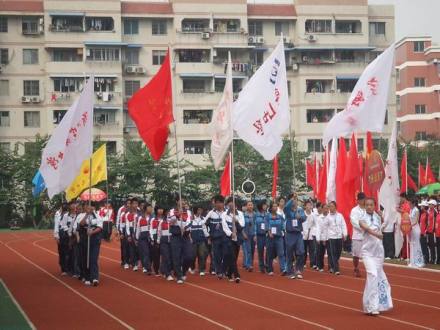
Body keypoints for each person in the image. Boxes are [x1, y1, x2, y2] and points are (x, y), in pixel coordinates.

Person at [359, 198, 393, 315]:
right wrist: (377, 234)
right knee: (372, 275)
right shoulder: (362, 218)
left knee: (377, 278)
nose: (369, 207)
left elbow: (385, 223)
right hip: (367, 253)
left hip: (379, 253)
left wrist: (382, 216)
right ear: (365, 206)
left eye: (371, 205)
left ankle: (372, 304)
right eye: (367, 205)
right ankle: (372, 306)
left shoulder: (377, 217)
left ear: (374, 206)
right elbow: (366, 228)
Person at [168, 198, 193, 284]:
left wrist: (185, 228)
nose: (182, 202)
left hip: (185, 235)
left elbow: (190, 222)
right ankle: (179, 275)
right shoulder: (172, 211)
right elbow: (171, 221)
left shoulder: (188, 212)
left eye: (184, 200)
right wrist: (178, 214)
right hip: (175, 236)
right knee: (176, 256)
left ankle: (183, 271)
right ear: (177, 202)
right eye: (180, 200)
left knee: (189, 256)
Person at [78, 203, 104, 286]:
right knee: (86, 259)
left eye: (92, 206)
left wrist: (92, 232)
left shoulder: (98, 216)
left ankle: (95, 277)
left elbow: (100, 227)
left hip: (95, 240)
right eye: (88, 206)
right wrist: (86, 215)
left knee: (93, 258)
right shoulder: (81, 215)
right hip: (85, 240)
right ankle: (87, 277)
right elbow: (81, 224)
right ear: (85, 207)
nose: (90, 208)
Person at [221, 200, 244, 283]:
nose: (231, 206)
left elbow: (242, 226)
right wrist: (231, 234)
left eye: (233, 204)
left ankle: (228, 273)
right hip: (228, 238)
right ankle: (236, 275)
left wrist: (236, 221)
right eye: (229, 205)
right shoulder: (224, 214)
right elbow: (224, 226)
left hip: (237, 239)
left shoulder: (240, 214)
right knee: (232, 256)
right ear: (227, 205)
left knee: (234, 257)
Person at [284, 194, 305, 279]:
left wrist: (300, 217)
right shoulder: (288, 211)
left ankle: (298, 269)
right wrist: (291, 199)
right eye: (293, 200)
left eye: (296, 200)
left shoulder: (300, 210)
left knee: (301, 252)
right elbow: (286, 207)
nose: (295, 201)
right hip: (290, 234)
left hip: (298, 234)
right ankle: (290, 272)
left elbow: (304, 218)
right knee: (289, 254)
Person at [205, 195, 226, 278]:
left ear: (223, 203)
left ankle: (224, 270)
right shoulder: (211, 213)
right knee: (217, 255)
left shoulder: (227, 212)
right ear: (215, 203)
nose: (219, 204)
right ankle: (219, 271)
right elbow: (204, 224)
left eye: (221, 202)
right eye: (217, 203)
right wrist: (208, 235)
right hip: (215, 238)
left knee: (226, 254)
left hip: (225, 237)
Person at [327, 201, 347, 275]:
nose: (330, 208)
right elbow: (325, 227)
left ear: (335, 207)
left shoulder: (340, 215)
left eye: (332, 206)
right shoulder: (327, 217)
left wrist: (344, 234)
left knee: (338, 252)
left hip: (339, 236)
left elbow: (343, 225)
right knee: (333, 253)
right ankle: (336, 269)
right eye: (329, 206)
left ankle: (332, 265)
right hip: (331, 237)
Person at [265, 201, 286, 276]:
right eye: (274, 206)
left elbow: (283, 224)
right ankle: (270, 269)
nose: (275, 207)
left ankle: (283, 268)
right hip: (270, 238)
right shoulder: (267, 216)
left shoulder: (280, 216)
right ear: (271, 208)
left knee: (281, 253)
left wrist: (284, 231)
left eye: (276, 206)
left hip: (279, 237)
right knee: (270, 254)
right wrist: (269, 232)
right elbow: (266, 225)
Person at [350, 192, 366, 277]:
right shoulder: (354, 210)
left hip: (367, 236)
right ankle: (356, 267)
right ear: (358, 200)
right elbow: (354, 222)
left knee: (368, 254)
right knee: (356, 255)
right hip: (357, 236)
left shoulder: (368, 209)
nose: (363, 201)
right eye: (361, 199)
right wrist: (364, 228)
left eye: (364, 199)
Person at [189, 206, 209, 276]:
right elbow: (189, 229)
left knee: (202, 255)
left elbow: (204, 229)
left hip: (201, 240)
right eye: (199, 210)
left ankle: (202, 269)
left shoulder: (203, 219)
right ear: (195, 210)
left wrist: (208, 237)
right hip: (193, 240)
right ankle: (192, 267)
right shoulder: (191, 219)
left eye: (201, 210)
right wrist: (190, 238)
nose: (200, 211)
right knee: (193, 255)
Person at [136, 203, 153, 274]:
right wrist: (137, 238)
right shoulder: (141, 217)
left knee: (151, 253)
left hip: (151, 237)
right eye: (149, 208)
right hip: (143, 236)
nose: (151, 209)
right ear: (146, 209)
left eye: (151, 208)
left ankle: (147, 265)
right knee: (145, 252)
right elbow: (138, 228)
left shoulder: (153, 217)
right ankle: (147, 268)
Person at [157, 206, 173, 281]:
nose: (169, 214)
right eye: (167, 213)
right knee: (166, 256)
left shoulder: (173, 222)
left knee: (169, 257)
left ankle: (163, 269)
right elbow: (159, 232)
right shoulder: (161, 222)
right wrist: (158, 240)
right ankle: (168, 274)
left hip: (172, 242)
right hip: (164, 241)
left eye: (170, 213)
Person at [408, 199, 425, 268]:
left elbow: (416, 220)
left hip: (415, 228)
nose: (409, 205)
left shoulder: (416, 210)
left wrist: (410, 225)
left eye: (410, 204)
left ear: (414, 204)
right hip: (411, 228)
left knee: (416, 244)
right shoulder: (410, 210)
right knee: (412, 244)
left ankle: (418, 261)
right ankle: (412, 261)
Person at [125, 198, 140, 271]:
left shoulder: (140, 213)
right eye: (133, 203)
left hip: (139, 231)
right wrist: (128, 235)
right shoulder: (128, 214)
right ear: (131, 205)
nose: (135, 205)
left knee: (139, 248)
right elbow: (127, 225)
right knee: (132, 248)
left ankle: (138, 261)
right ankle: (134, 264)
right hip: (131, 231)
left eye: (136, 203)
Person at [302, 200, 318, 270]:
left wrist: (313, 232)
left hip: (311, 234)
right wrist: (303, 232)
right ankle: (303, 262)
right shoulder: (302, 214)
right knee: (304, 250)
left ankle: (313, 263)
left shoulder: (313, 215)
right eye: (307, 205)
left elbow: (316, 224)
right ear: (305, 206)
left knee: (312, 250)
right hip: (303, 234)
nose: (309, 206)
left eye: (310, 205)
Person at [53, 203, 68, 275]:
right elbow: (56, 225)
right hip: (61, 234)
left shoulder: (69, 214)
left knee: (68, 252)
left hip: (68, 234)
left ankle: (68, 267)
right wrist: (56, 236)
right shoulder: (58, 214)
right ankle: (63, 269)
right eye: (63, 208)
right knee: (62, 252)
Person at [116, 198, 131, 267]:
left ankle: (130, 260)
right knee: (124, 246)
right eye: (128, 203)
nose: (129, 205)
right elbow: (118, 219)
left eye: (130, 203)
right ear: (125, 204)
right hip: (123, 229)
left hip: (131, 229)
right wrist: (118, 230)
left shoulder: (135, 210)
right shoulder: (121, 210)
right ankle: (124, 260)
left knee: (130, 246)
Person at [242, 200, 256, 272]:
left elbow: (257, 225)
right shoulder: (243, 215)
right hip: (246, 235)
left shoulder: (255, 214)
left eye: (251, 205)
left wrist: (255, 234)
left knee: (253, 250)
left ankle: (250, 263)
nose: (250, 206)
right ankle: (248, 265)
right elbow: (241, 226)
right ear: (246, 206)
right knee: (248, 250)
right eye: (249, 205)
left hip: (253, 234)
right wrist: (243, 233)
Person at [255, 201, 268, 273]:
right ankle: (261, 266)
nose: (265, 206)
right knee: (260, 251)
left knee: (269, 250)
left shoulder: (267, 215)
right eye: (264, 205)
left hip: (266, 235)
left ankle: (267, 264)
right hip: (259, 235)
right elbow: (254, 225)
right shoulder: (256, 215)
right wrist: (255, 234)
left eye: (266, 205)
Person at [316, 204, 329, 272]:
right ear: (322, 209)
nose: (326, 210)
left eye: (327, 208)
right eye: (324, 208)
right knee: (320, 253)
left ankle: (331, 267)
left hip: (329, 238)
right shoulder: (319, 218)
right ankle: (320, 266)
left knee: (330, 253)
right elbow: (318, 228)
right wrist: (318, 238)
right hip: (321, 237)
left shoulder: (330, 217)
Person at [149, 208, 161, 276]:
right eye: (159, 209)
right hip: (155, 238)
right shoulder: (153, 219)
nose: (160, 210)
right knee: (156, 255)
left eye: (162, 209)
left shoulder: (165, 219)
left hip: (163, 238)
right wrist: (152, 238)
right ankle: (156, 269)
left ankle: (164, 269)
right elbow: (151, 229)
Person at [426, 199, 438, 264]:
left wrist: (434, 230)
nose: (429, 205)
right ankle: (431, 259)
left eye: (430, 204)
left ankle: (434, 259)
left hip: (433, 232)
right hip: (428, 231)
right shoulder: (428, 211)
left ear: (433, 205)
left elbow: (435, 222)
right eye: (429, 204)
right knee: (430, 245)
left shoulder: (435, 212)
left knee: (434, 246)